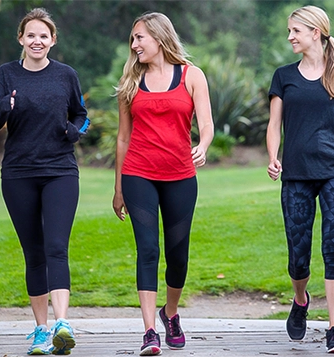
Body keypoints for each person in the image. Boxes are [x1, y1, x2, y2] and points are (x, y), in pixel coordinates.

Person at [0, 7, 89, 356]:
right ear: (21, 39)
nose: (37, 40)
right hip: (18, 174)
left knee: (57, 246)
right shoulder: (6, 75)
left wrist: (74, 131)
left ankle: (62, 325)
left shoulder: (66, 75)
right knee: (34, 253)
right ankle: (41, 331)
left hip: (60, 171)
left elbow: (81, 115)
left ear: (53, 40)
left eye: (44, 35)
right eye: (31, 35)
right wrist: (6, 106)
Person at [266, 5, 334, 354]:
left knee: (332, 248)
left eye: (295, 30)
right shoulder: (284, 76)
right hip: (295, 175)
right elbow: (273, 125)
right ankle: (301, 298)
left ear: (316, 32)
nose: (290, 36)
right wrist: (272, 157)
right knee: (298, 256)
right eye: (290, 31)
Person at [112, 12, 214, 356]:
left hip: (181, 176)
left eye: (139, 37)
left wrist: (203, 145)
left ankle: (170, 314)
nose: (134, 44)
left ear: (159, 38)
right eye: (133, 39)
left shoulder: (191, 75)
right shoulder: (130, 79)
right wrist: (118, 188)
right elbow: (123, 138)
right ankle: (149, 332)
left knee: (177, 255)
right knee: (148, 250)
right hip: (139, 173)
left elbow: (207, 123)